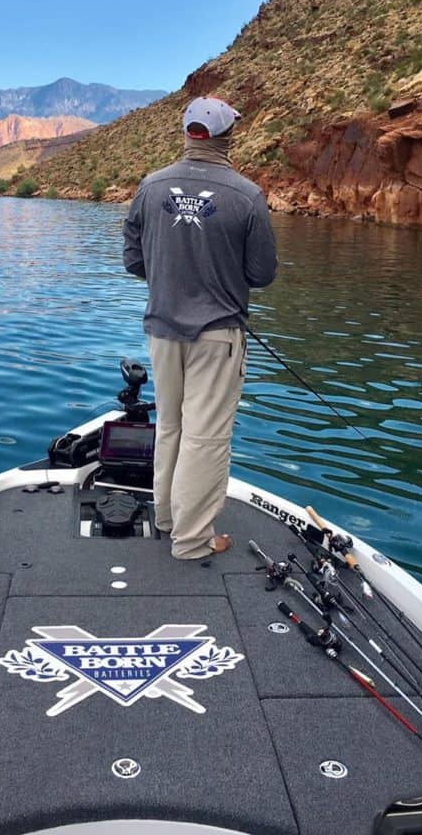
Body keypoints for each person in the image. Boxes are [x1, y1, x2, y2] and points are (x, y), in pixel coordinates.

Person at [122, 96, 277, 559]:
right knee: (205, 437)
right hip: (218, 335)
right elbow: (262, 274)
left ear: (187, 133)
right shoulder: (246, 196)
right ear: (229, 136)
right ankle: (191, 541)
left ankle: (167, 519)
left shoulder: (150, 188)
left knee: (170, 426)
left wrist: (174, 273)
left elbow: (133, 261)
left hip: (162, 331)